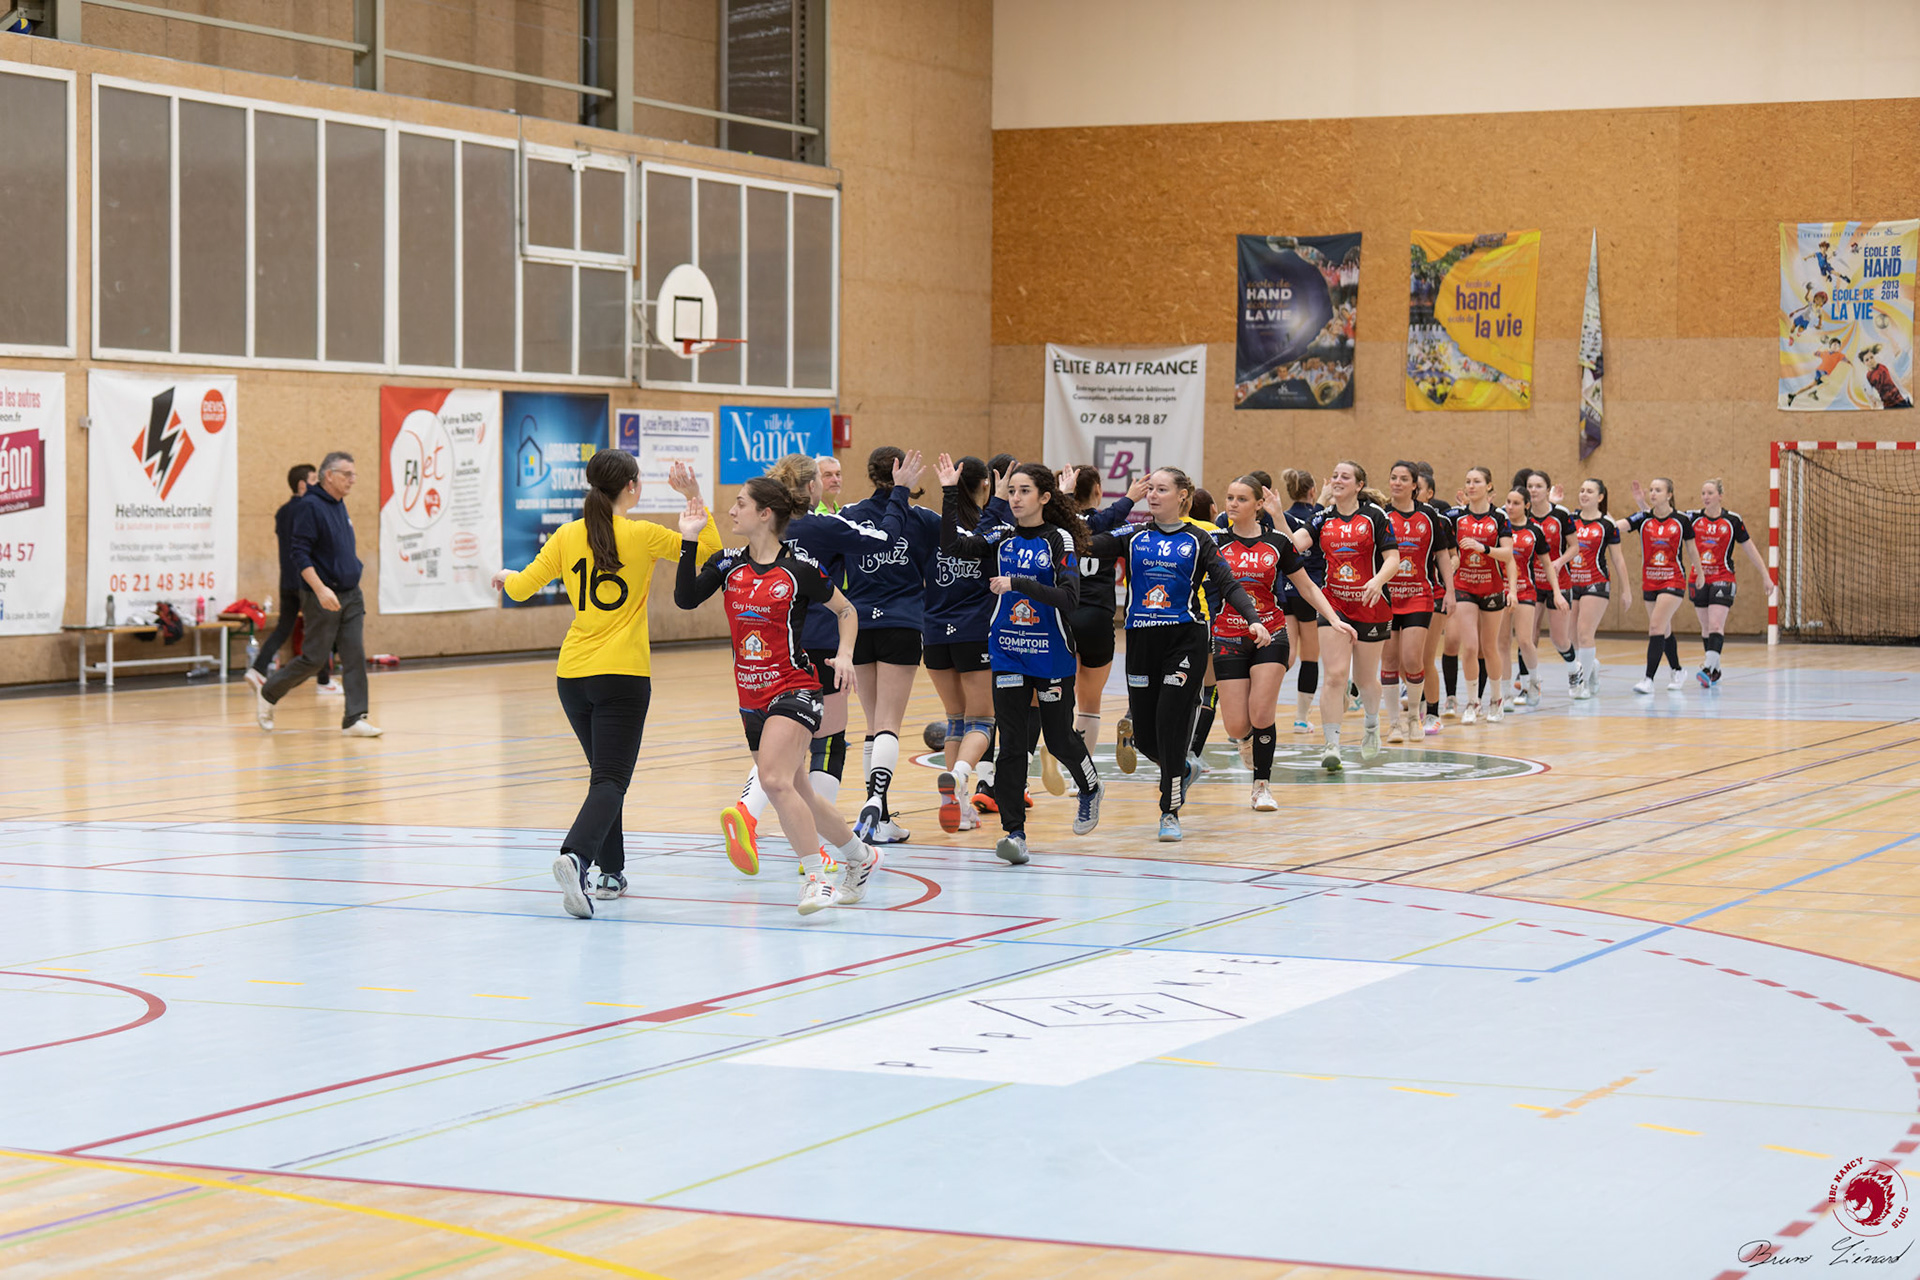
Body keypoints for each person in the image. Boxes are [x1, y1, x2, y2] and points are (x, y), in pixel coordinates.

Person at [493, 453, 719, 917]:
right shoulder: (643, 535)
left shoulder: (567, 535)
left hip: (572, 675)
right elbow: (711, 550)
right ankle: (576, 857)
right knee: (612, 779)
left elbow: (520, 589)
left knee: (604, 779)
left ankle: (611, 872)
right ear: (633, 487)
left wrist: (506, 577)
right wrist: (692, 497)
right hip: (623, 676)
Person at [675, 481, 879, 915]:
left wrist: (845, 654)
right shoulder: (727, 564)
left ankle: (816, 879)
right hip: (750, 694)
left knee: (773, 780)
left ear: (765, 514)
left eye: (741, 504)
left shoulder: (799, 568)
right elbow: (685, 599)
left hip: (795, 687)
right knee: (799, 791)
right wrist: (688, 539)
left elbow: (846, 610)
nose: (731, 511)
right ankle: (860, 857)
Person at [719, 451, 918, 875]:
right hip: (818, 648)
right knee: (826, 745)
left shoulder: (765, 531)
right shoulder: (823, 525)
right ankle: (815, 846)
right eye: (826, 475)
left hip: (766, 652)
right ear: (810, 487)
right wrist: (899, 492)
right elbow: (883, 540)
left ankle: (749, 812)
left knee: (779, 759)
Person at [937, 455, 1103, 864]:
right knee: (1010, 746)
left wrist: (1018, 583)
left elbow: (1069, 598)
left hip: (1051, 654)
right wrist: (947, 493)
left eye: (1024, 491)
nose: (1015, 498)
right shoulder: (1000, 537)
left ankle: (1091, 787)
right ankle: (1015, 833)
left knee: (1059, 737)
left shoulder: (1059, 540)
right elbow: (954, 546)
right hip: (1008, 651)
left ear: (1045, 497)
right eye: (1011, 491)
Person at [1090, 467, 1268, 841]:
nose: (1152, 495)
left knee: (1171, 725)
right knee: (1144, 737)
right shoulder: (1134, 535)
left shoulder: (1198, 539)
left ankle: (1168, 811)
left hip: (1185, 639)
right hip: (1140, 639)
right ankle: (1182, 768)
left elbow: (1227, 582)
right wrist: (1123, 502)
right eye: (1149, 489)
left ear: (1182, 496)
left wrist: (1253, 619)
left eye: (1161, 489)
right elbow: (1087, 541)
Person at [1212, 476, 1352, 811]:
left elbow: (1306, 586)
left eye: (1241, 499)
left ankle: (1262, 785)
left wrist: (1333, 619)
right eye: (1229, 497)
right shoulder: (1215, 542)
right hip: (1228, 634)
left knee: (1261, 712)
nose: (1232, 504)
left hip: (1272, 634)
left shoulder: (1277, 542)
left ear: (1258, 504)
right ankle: (1246, 742)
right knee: (1235, 724)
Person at [840, 447, 941, 844]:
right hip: (902, 624)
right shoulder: (924, 520)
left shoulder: (848, 515)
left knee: (872, 724)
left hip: (859, 624)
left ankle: (878, 818)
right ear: (908, 474)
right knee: (889, 725)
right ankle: (876, 804)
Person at [256, 452, 381, 737]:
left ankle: (354, 718)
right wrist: (320, 588)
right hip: (322, 596)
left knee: (354, 654)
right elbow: (299, 554)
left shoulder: (339, 504)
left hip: (351, 595)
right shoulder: (310, 507)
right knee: (313, 659)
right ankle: (269, 692)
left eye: (354, 474)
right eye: (347, 474)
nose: (353, 480)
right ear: (329, 475)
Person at [1302, 461, 1401, 770]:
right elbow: (1294, 545)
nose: (1338, 480)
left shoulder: (1375, 516)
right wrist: (1278, 514)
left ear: (1359, 485)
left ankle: (1371, 728)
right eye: (1334, 476)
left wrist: (1377, 580)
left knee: (1364, 678)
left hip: (1371, 604)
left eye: (1345, 476)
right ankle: (1332, 744)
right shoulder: (1322, 518)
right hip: (1334, 604)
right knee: (1334, 676)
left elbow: (1394, 558)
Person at [923, 455, 996, 832]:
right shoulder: (992, 530)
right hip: (974, 632)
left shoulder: (935, 529)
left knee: (955, 718)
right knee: (982, 719)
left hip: (934, 634)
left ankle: (958, 806)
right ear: (986, 484)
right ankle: (962, 776)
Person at [1062, 465, 1146, 772]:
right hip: (1098, 618)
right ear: (1098, 491)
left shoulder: (1058, 526)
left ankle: (1054, 747)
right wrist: (1129, 500)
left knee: (1055, 696)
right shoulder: (1111, 529)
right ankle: (1081, 775)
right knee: (1090, 702)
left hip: (1063, 618)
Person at [1382, 461, 1453, 743]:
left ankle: (1414, 717)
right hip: (1387, 598)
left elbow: (1443, 555)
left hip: (1419, 596)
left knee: (1413, 658)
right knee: (1389, 660)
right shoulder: (1380, 516)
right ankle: (1393, 723)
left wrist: (1449, 590)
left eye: (1403, 479)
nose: (1397, 483)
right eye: (1393, 477)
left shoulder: (1429, 516)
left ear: (1415, 485)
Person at [1687, 478, 1775, 687]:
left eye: (1710, 493)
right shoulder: (1692, 518)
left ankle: (1708, 668)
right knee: (1706, 627)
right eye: (1703, 493)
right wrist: (1643, 506)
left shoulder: (1733, 520)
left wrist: (1765, 575)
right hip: (1698, 578)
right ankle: (1715, 670)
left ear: (1720, 496)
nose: (1706, 497)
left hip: (1723, 577)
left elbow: (1750, 549)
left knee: (1716, 624)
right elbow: (1663, 517)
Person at [1447, 466, 1516, 725]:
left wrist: (1484, 548)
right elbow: (1450, 551)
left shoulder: (1499, 517)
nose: (1471, 485)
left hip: (1491, 588)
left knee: (1490, 648)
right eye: (1468, 481)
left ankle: (1496, 701)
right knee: (1470, 647)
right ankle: (1472, 702)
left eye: (1477, 481)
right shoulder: (1456, 517)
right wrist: (1453, 562)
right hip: (1464, 586)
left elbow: (1507, 553)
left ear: (1488, 486)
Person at [1623, 478, 1697, 695]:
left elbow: (1692, 550)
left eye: (1658, 490)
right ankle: (1677, 670)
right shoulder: (1644, 518)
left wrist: (1699, 574)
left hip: (1673, 580)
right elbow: (1615, 527)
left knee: (1655, 627)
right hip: (1650, 581)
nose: (1653, 493)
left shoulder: (1682, 520)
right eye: (1651, 490)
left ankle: (1648, 679)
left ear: (1669, 494)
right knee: (1663, 630)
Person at [248, 464, 316, 691]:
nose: (319, 483)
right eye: (314, 479)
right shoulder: (309, 508)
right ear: (302, 484)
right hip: (305, 578)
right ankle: (324, 680)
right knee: (320, 627)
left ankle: (257, 669)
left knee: (284, 628)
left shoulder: (282, 511)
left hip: (286, 579)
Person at [1497, 487, 1564, 708]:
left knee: (1525, 640)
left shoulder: (1534, 531)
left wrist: (1556, 592)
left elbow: (1547, 563)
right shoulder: (1499, 527)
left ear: (1526, 505)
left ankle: (1534, 682)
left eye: (1516, 503)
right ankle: (1505, 694)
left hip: (1525, 589)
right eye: (1507, 502)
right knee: (1502, 643)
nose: (1510, 507)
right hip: (1501, 590)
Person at [1567, 478, 1630, 698]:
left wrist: (1626, 590)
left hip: (1596, 582)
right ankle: (1591, 665)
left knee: (1585, 633)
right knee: (1571, 635)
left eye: (1590, 491)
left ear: (1600, 497)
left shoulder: (1607, 525)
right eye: (1582, 490)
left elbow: (1618, 559)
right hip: (1571, 581)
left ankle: (1581, 684)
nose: (1584, 494)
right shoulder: (1570, 520)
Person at [1521, 469, 1578, 699]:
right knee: (1527, 635)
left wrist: (1559, 561)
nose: (1533, 490)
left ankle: (1575, 670)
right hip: (1531, 584)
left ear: (1547, 489)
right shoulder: (1520, 515)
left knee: (1559, 639)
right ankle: (1527, 684)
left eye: (1538, 486)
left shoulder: (1561, 515)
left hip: (1559, 582)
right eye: (1530, 486)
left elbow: (1575, 547)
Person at [1279, 468, 1325, 734]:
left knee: (1288, 654)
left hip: (1286, 591)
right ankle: (1300, 718)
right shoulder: (1318, 518)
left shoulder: (1282, 519)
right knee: (1310, 657)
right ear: (1312, 491)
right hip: (1310, 591)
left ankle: (1256, 697)